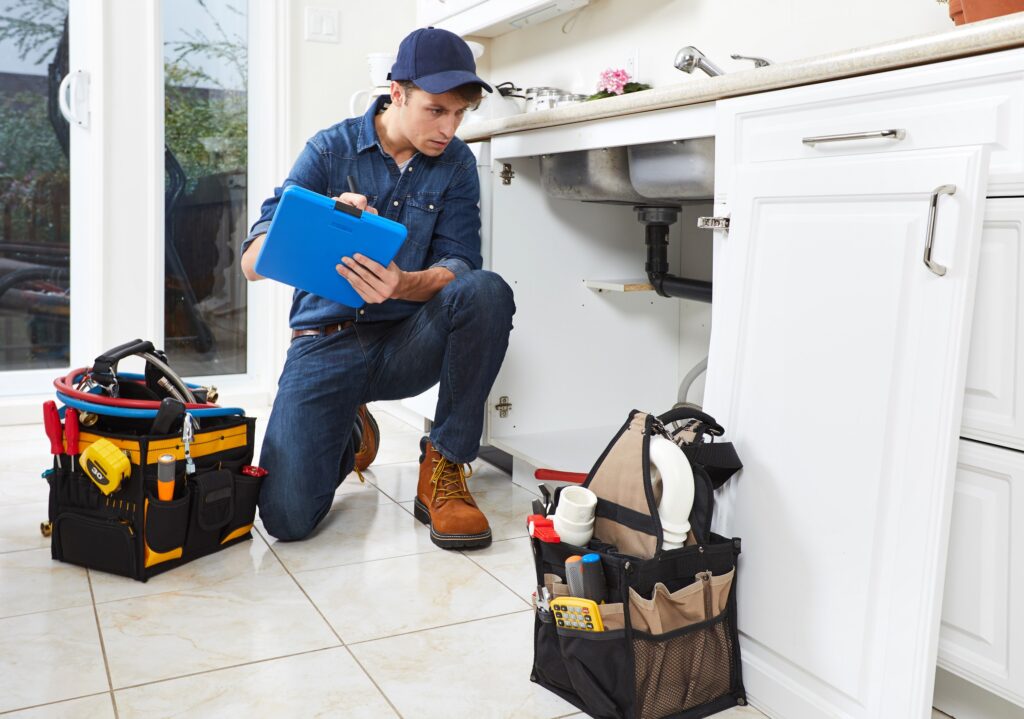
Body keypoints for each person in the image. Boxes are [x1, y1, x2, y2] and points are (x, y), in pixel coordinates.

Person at [240, 27, 515, 548]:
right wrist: (323, 223)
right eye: (437, 110)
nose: (449, 128)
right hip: (325, 341)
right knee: (287, 520)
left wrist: (403, 284)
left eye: (460, 114)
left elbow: (460, 263)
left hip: (405, 341)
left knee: (486, 290)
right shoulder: (328, 150)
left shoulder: (456, 164)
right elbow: (252, 263)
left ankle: (446, 464)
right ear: (397, 93)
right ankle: (350, 427)